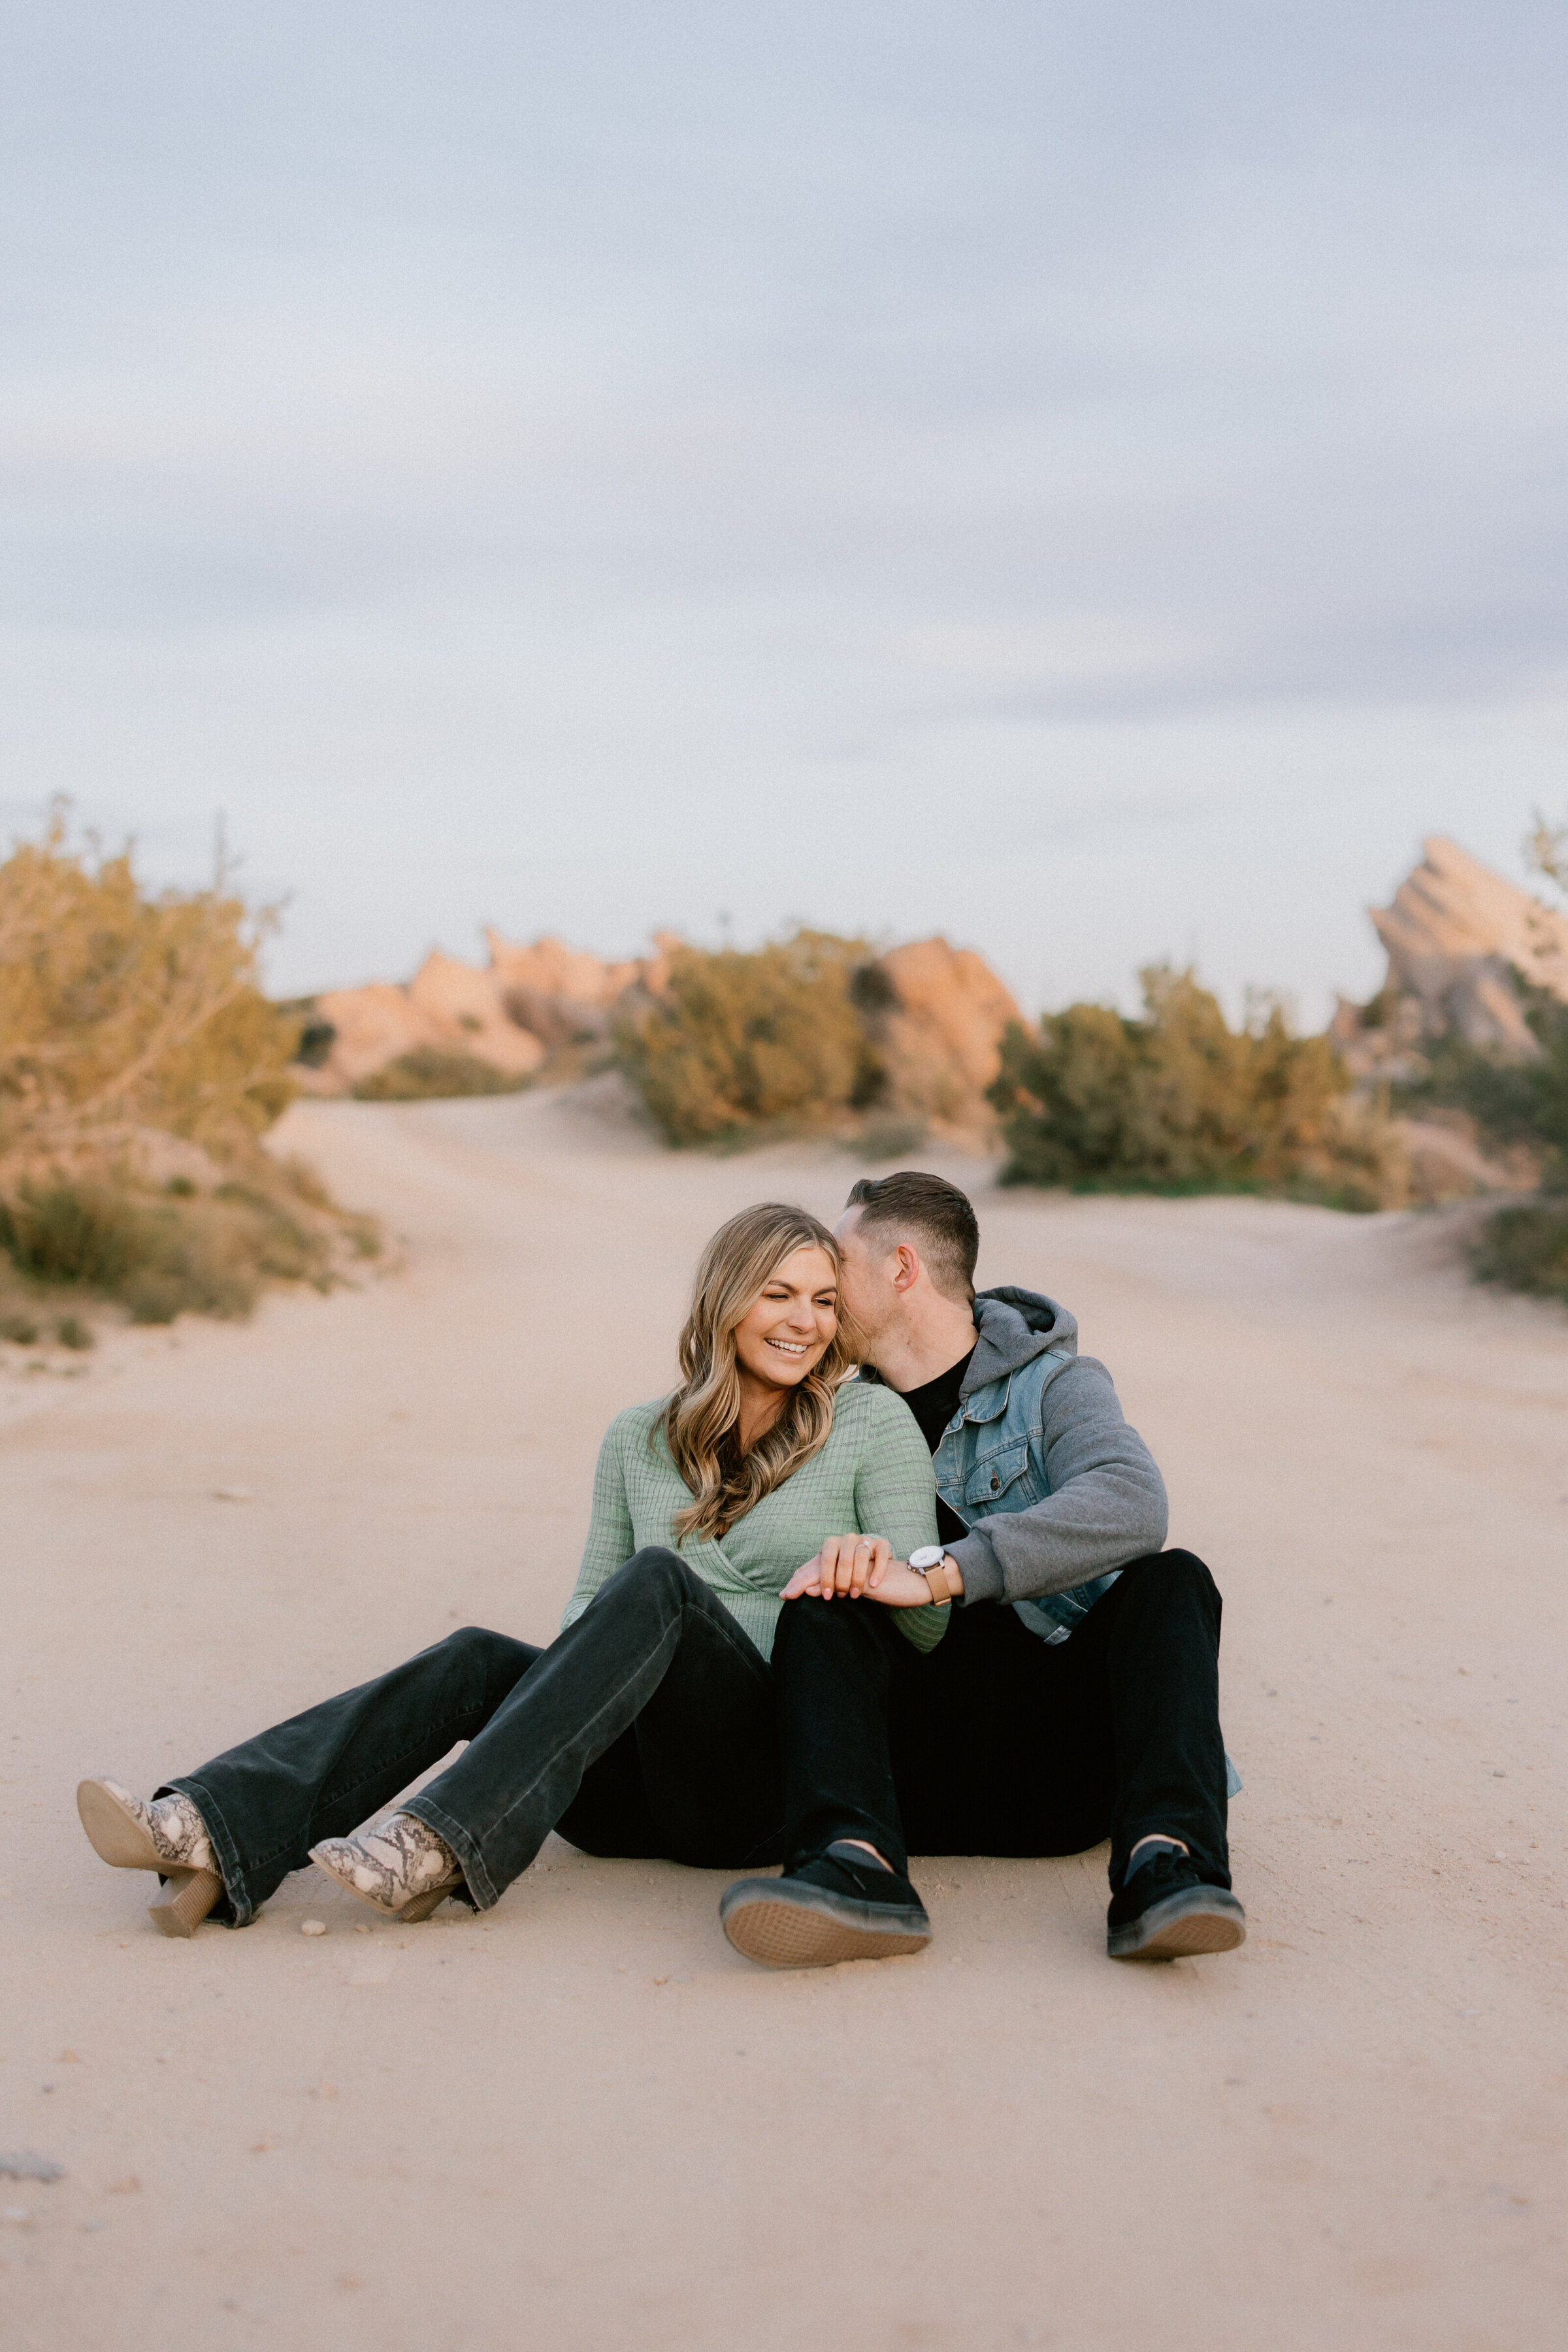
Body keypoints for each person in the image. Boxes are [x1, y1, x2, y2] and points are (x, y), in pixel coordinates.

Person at [76, 1202, 946, 1953]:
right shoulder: (639, 1438)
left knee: (656, 1583)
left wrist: (874, 1570)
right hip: (625, 1796)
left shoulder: (871, 1425)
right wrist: (560, 1693)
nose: (805, 1321)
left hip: (757, 1783)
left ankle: (438, 1842)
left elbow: (926, 1625)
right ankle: (211, 1826)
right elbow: (584, 1609)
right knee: (477, 1658)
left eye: (825, 1302)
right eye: (780, 1294)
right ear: (726, 1302)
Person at [717, 1169, 1246, 1967]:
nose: (819, 1289)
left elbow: (1133, 1503)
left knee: (1175, 1580)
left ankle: (1165, 1865)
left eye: (838, 1267)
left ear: (901, 1269)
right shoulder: (826, 1410)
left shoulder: (1054, 1385)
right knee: (826, 1599)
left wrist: (938, 1572)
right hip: (901, 1769)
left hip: (1057, 1765)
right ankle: (856, 1870)